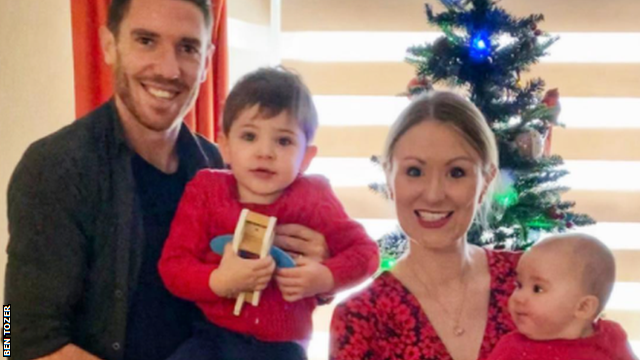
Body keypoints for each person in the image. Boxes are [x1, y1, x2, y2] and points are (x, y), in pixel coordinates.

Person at [4, 1, 329, 360]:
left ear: (206, 61)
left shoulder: (221, 168)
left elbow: (260, 291)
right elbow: (13, 337)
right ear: (110, 46)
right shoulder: (55, 167)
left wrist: (318, 271)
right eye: (146, 40)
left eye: (187, 48)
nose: (168, 69)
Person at [158, 67, 380, 360]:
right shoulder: (206, 191)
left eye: (284, 141)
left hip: (282, 348)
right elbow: (173, 266)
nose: (265, 152)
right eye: (249, 136)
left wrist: (324, 277)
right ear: (224, 145)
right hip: (213, 338)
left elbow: (366, 253)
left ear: (307, 157)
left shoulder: (314, 197)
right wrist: (218, 281)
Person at [330, 91, 522, 360]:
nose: (433, 194)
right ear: (389, 177)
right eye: (414, 171)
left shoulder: (530, 282)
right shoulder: (361, 317)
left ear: (486, 181)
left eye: (456, 172)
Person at [487, 233, 638, 360]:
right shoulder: (511, 349)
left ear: (583, 307)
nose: (518, 297)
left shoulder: (611, 337)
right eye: (519, 285)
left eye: (537, 289)